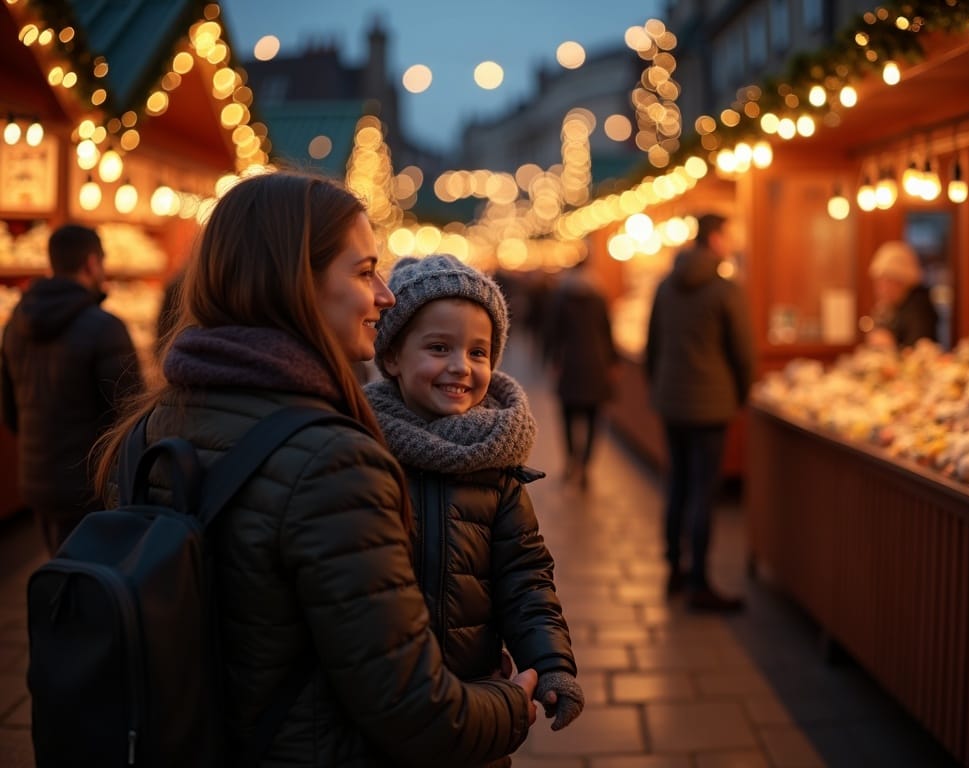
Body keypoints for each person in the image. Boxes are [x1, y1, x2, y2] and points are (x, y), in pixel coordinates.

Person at [93, 172, 538, 765]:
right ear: (296, 282)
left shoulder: (153, 425)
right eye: (362, 271)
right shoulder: (333, 458)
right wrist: (511, 704)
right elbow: (412, 708)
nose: (385, 295)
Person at [365, 254, 584, 744]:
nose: (460, 367)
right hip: (385, 698)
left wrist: (549, 663)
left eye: (478, 352)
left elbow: (525, 578)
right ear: (393, 356)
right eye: (439, 347)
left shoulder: (495, 468)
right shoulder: (364, 450)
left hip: (475, 695)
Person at [1, 223, 142, 555]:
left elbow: (9, 412)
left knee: (59, 570)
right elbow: (128, 418)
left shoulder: (14, 325)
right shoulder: (106, 329)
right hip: (89, 488)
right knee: (92, 586)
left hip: (36, 480)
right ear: (92, 263)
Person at [645, 213, 754, 613]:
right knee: (703, 493)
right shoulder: (727, 289)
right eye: (731, 233)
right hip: (712, 403)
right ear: (717, 238)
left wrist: (658, 388)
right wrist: (740, 396)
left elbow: (652, 343)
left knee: (677, 484)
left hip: (671, 400)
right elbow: (743, 352)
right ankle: (699, 581)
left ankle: (674, 565)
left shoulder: (664, 285)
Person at [542, 255, 620, 489]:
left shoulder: (560, 297)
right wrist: (613, 362)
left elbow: (552, 333)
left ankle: (570, 461)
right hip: (596, 365)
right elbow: (608, 332)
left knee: (567, 418)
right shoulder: (598, 297)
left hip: (569, 365)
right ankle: (585, 464)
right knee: (594, 419)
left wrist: (551, 361)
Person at [866, 240, 939, 349]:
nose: (879, 290)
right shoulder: (894, 306)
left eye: (884, 282)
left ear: (900, 281)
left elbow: (916, 348)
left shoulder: (918, 307)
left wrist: (890, 344)